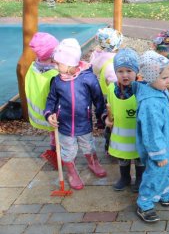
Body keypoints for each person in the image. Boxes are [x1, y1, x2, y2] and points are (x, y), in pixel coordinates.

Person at [44, 38, 106, 190]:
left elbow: (98, 99)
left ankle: (93, 162)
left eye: (58, 63)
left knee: (88, 145)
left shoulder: (88, 79)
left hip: (83, 123)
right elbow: (51, 100)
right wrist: (48, 114)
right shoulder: (57, 81)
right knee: (68, 150)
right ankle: (71, 171)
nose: (55, 66)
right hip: (64, 125)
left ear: (70, 63)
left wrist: (101, 118)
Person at [134, 51, 169, 223]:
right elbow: (152, 132)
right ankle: (144, 203)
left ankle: (166, 191)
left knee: (167, 170)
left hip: (168, 142)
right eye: (165, 78)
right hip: (158, 149)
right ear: (151, 78)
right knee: (154, 174)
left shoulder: (160, 90)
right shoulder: (150, 103)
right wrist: (158, 154)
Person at [105, 48, 145, 193]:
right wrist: (106, 120)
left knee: (139, 158)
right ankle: (125, 177)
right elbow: (108, 108)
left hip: (138, 134)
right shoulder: (111, 89)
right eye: (120, 71)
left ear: (136, 71)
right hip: (121, 137)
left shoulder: (142, 89)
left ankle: (140, 179)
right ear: (115, 72)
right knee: (123, 157)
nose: (125, 75)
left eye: (129, 71)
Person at [25, 32, 59, 160]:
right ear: (52, 55)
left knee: (52, 134)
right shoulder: (53, 75)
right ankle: (57, 153)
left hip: (38, 115)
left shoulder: (32, 68)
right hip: (52, 115)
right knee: (58, 135)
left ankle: (53, 149)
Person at [91, 27, 123, 152]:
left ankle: (108, 142)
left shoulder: (99, 58)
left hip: (104, 94)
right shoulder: (112, 63)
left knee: (108, 122)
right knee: (112, 122)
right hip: (112, 96)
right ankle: (110, 145)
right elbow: (115, 83)